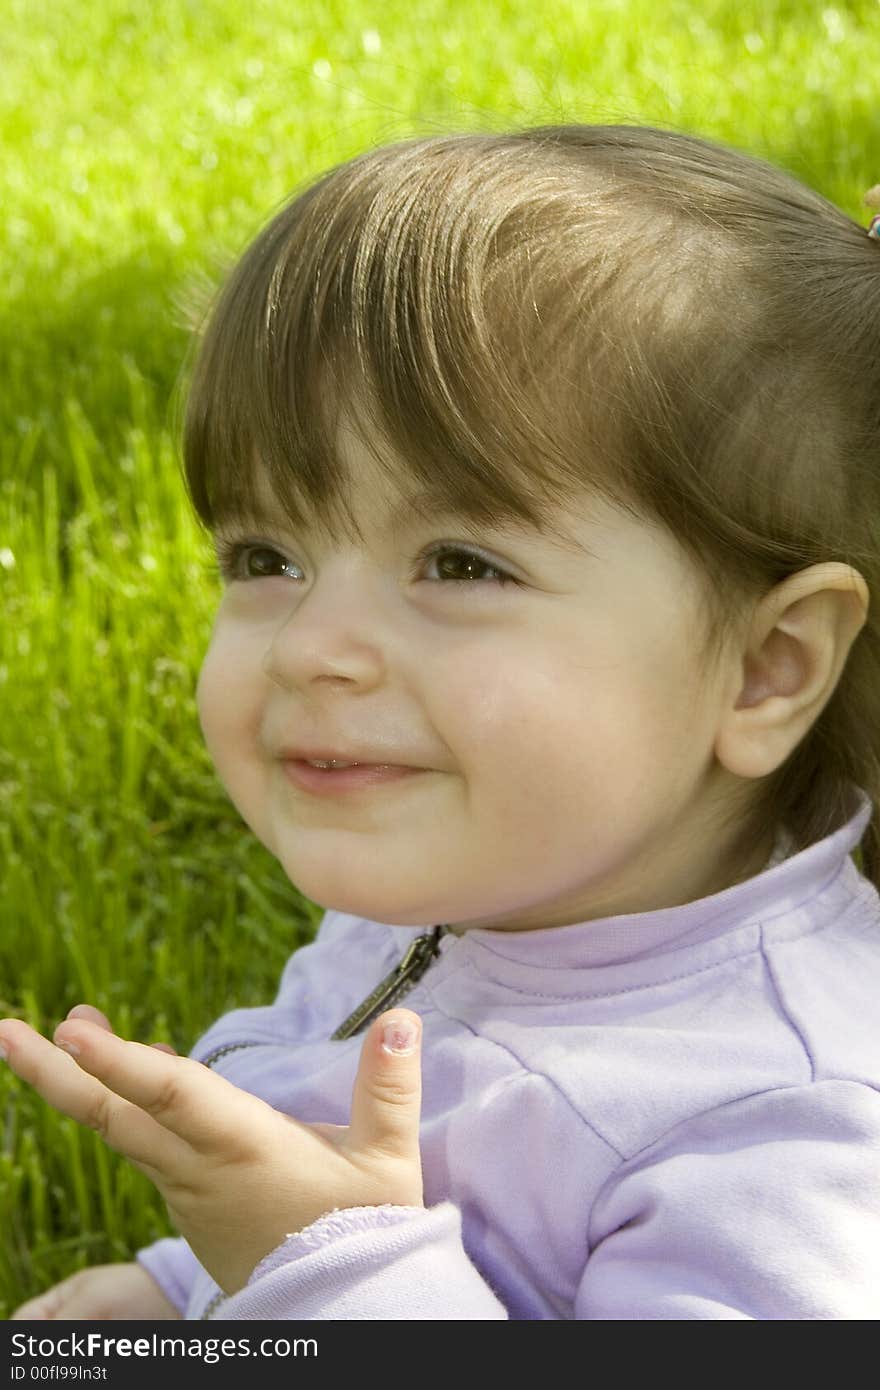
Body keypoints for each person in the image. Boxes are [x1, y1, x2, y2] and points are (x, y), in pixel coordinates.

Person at [3, 122, 880, 1321]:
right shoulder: (473, 879)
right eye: (267, 553)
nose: (312, 646)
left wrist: (324, 1266)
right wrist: (181, 1293)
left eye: (460, 564)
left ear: (763, 668)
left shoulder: (791, 1123)